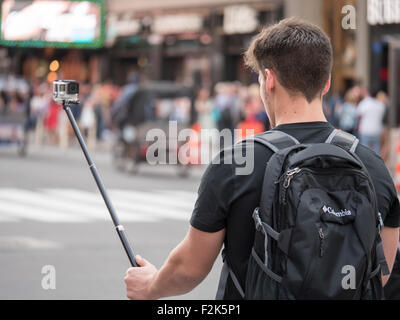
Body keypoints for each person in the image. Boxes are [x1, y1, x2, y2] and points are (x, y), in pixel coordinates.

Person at [124, 18, 400, 300]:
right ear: (326, 83)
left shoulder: (236, 162)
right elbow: (382, 271)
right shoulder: (372, 165)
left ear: (268, 80)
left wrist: (150, 286)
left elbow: (190, 268)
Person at [357, 88, 386, 155]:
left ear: (369, 93)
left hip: (365, 130)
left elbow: (359, 116)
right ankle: (376, 165)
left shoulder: (364, 103)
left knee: (365, 150)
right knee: (376, 151)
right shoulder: (381, 105)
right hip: (376, 130)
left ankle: (365, 165)